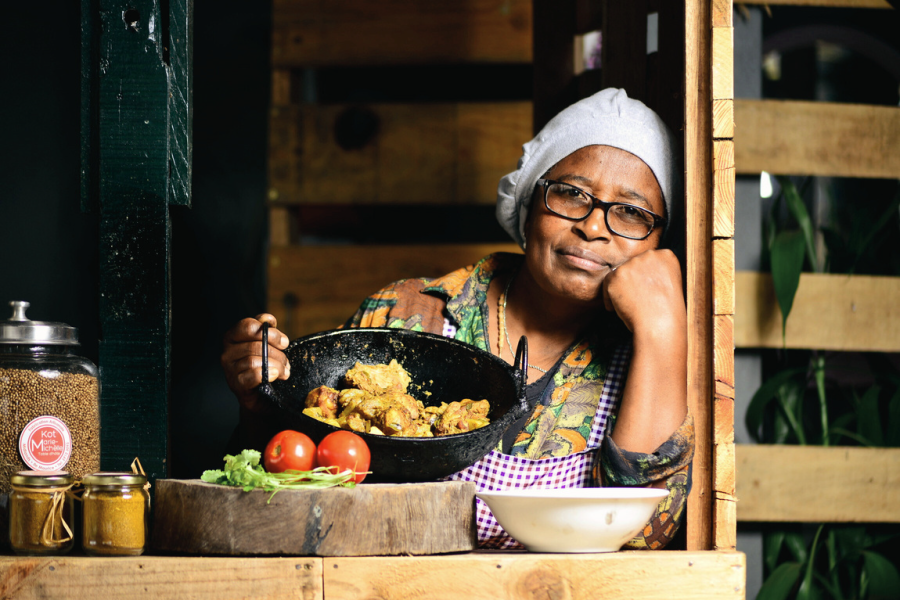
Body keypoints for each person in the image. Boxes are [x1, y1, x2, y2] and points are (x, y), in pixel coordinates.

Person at [221, 88, 693, 550]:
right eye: (570, 194)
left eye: (631, 212)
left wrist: (661, 329)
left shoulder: (649, 359)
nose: (592, 226)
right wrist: (261, 402)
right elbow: (299, 487)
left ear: (657, 242)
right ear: (529, 203)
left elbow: (644, 537)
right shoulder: (403, 315)